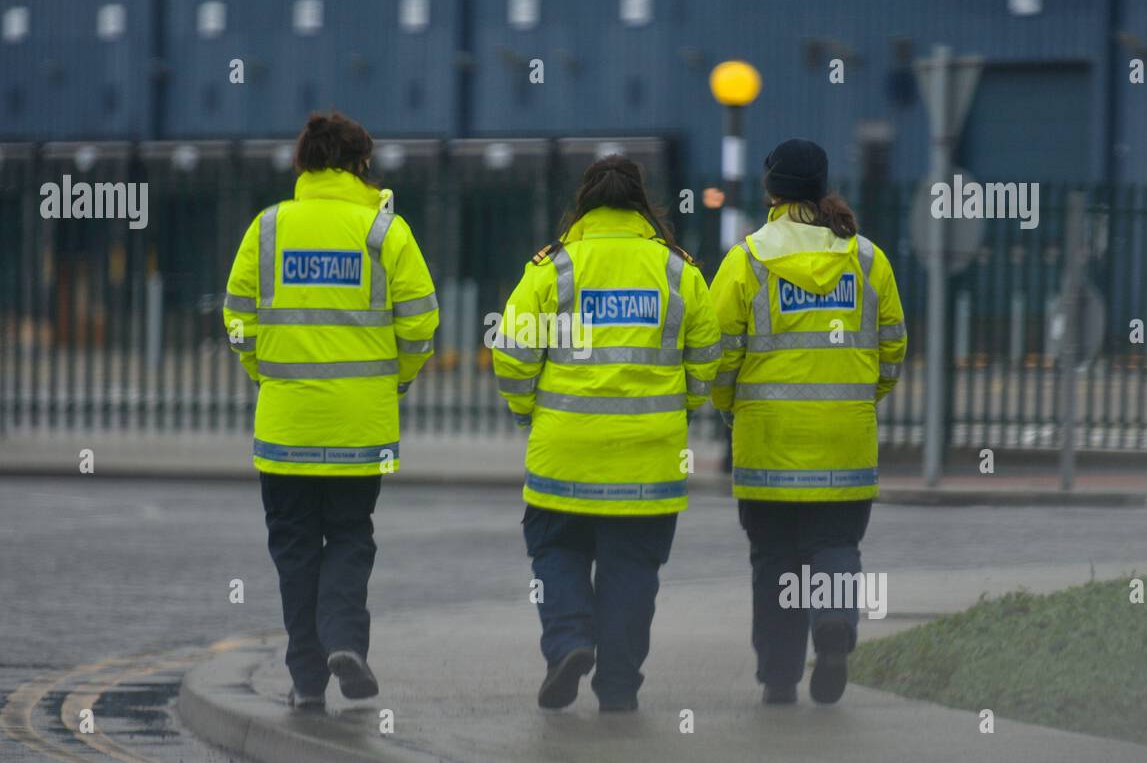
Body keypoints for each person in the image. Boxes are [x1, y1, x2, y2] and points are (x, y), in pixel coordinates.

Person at [222, 111, 438, 711]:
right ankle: (345, 640)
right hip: (358, 429)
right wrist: (392, 379)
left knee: (294, 549)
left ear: (302, 163)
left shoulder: (268, 229)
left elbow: (237, 318)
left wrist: (265, 373)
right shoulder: (384, 231)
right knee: (349, 535)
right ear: (360, 164)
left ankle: (308, 680)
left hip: (285, 427)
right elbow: (421, 323)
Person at [492, 155, 721, 711]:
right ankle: (618, 686)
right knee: (633, 571)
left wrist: (529, 414)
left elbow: (512, 352)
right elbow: (707, 357)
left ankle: (569, 641)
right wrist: (679, 410)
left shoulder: (553, 268)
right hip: (648, 459)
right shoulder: (678, 270)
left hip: (564, 455)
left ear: (584, 202)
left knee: (556, 551)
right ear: (644, 204)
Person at [709, 139, 907, 706]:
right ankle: (834, 622)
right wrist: (863, 399)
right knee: (836, 542)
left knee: (773, 561)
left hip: (767, 443)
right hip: (845, 440)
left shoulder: (747, 259)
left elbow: (720, 352)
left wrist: (731, 406)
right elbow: (892, 347)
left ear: (771, 192)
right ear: (823, 189)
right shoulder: (868, 260)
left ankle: (778, 678)